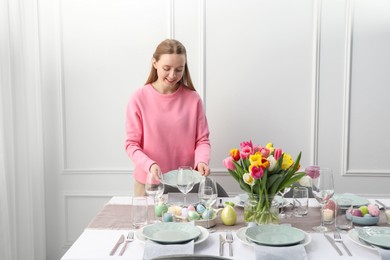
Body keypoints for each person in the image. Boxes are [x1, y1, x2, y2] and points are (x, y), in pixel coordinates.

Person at [125, 39, 211, 196]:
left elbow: (202, 141)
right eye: (167, 68)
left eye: (179, 69)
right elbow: (131, 144)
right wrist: (150, 165)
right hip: (148, 185)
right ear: (155, 63)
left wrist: (201, 161)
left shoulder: (193, 99)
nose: (173, 75)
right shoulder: (138, 98)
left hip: (185, 185)